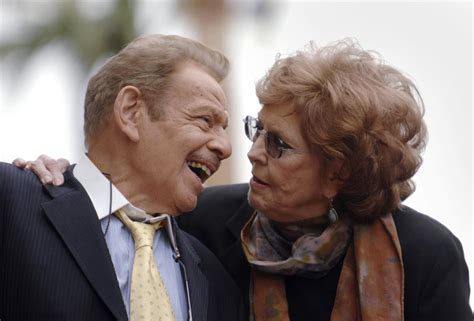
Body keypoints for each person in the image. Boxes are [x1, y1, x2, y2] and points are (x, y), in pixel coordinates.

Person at [18, 39, 472, 321]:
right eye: (258, 129)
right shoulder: (207, 223)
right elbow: (109, 223)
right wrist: (58, 179)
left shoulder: (425, 256)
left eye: (279, 144)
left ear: (339, 171)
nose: (250, 152)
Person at [1, 34, 244, 321]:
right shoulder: (12, 204)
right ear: (130, 111)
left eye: (223, 128)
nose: (225, 147)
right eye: (205, 120)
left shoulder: (217, 281)